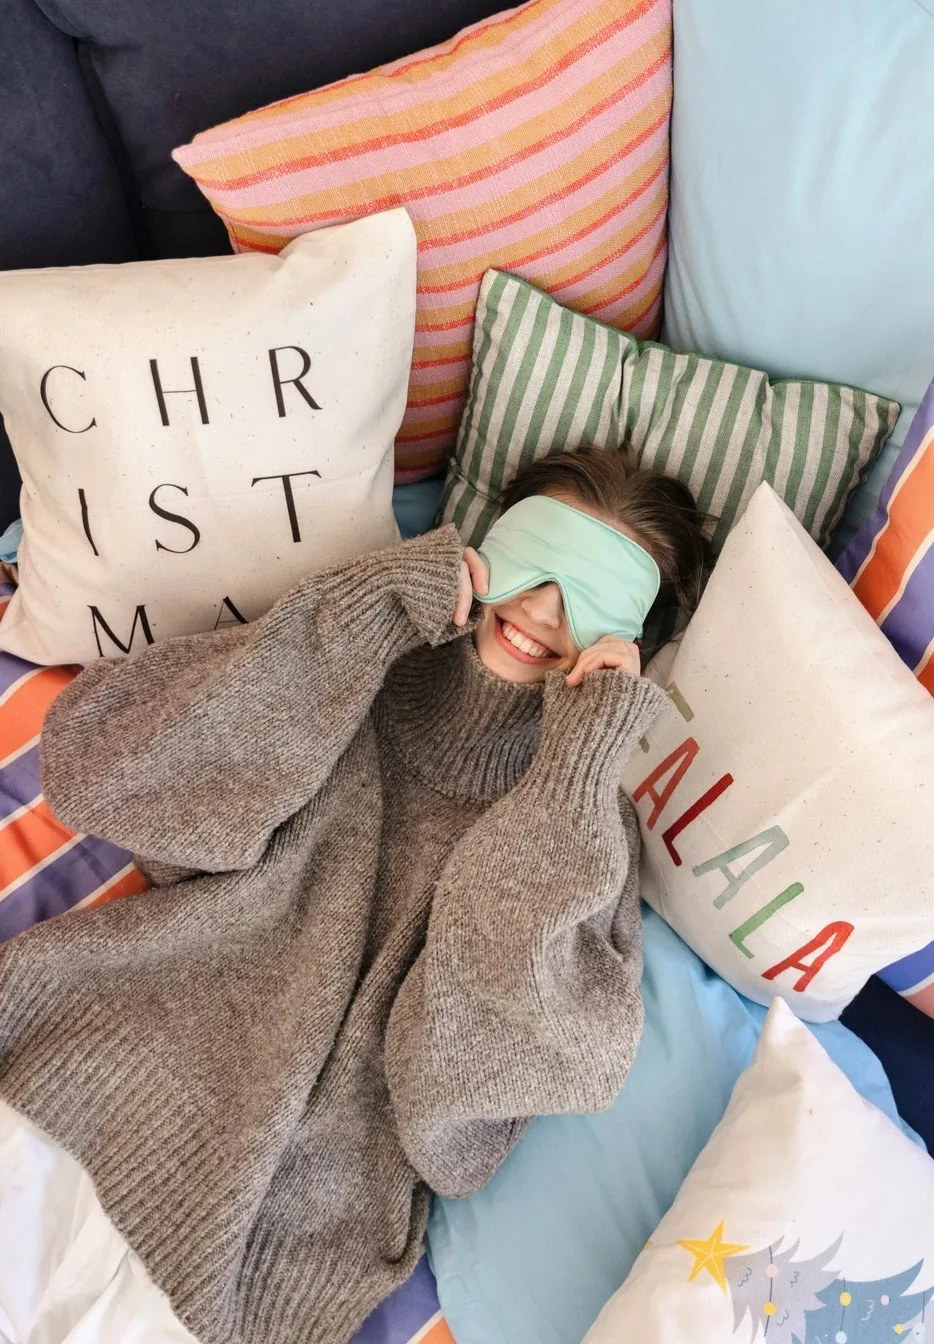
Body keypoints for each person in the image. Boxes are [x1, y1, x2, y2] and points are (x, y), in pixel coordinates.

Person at [0, 443, 711, 1344]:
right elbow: (105, 775)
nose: (540, 609)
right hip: (90, 1076)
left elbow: (463, 1117)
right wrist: (369, 612)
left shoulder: (583, 828)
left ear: (629, 647)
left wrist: (569, 775)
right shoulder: (355, 656)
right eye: (536, 561)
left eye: (588, 597)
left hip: (272, 1245)